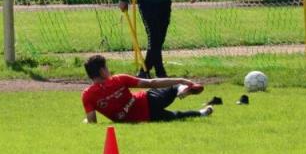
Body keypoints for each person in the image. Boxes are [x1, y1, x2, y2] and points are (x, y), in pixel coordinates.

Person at [81, 54, 212, 123]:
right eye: (107, 67)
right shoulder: (118, 79)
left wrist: (87, 121)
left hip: (144, 117)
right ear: (102, 71)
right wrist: (181, 79)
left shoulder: (87, 95)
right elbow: (151, 82)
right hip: (149, 101)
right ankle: (181, 88)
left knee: (176, 116)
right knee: (170, 88)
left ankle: (201, 113)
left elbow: (92, 120)